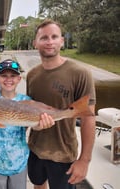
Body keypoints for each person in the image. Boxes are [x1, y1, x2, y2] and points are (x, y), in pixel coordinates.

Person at [26, 19, 96, 189]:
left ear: (62, 41)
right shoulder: (32, 75)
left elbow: (88, 119)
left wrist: (84, 161)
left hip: (63, 154)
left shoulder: (80, 73)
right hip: (35, 149)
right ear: (35, 43)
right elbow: (29, 110)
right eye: (44, 38)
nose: (49, 41)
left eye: (54, 36)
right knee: (38, 184)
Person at [0, 59, 55, 189]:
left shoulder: (26, 101)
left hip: (18, 161)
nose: (8, 79)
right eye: (4, 75)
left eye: (13, 76)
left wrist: (41, 124)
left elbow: (34, 125)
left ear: (19, 79)